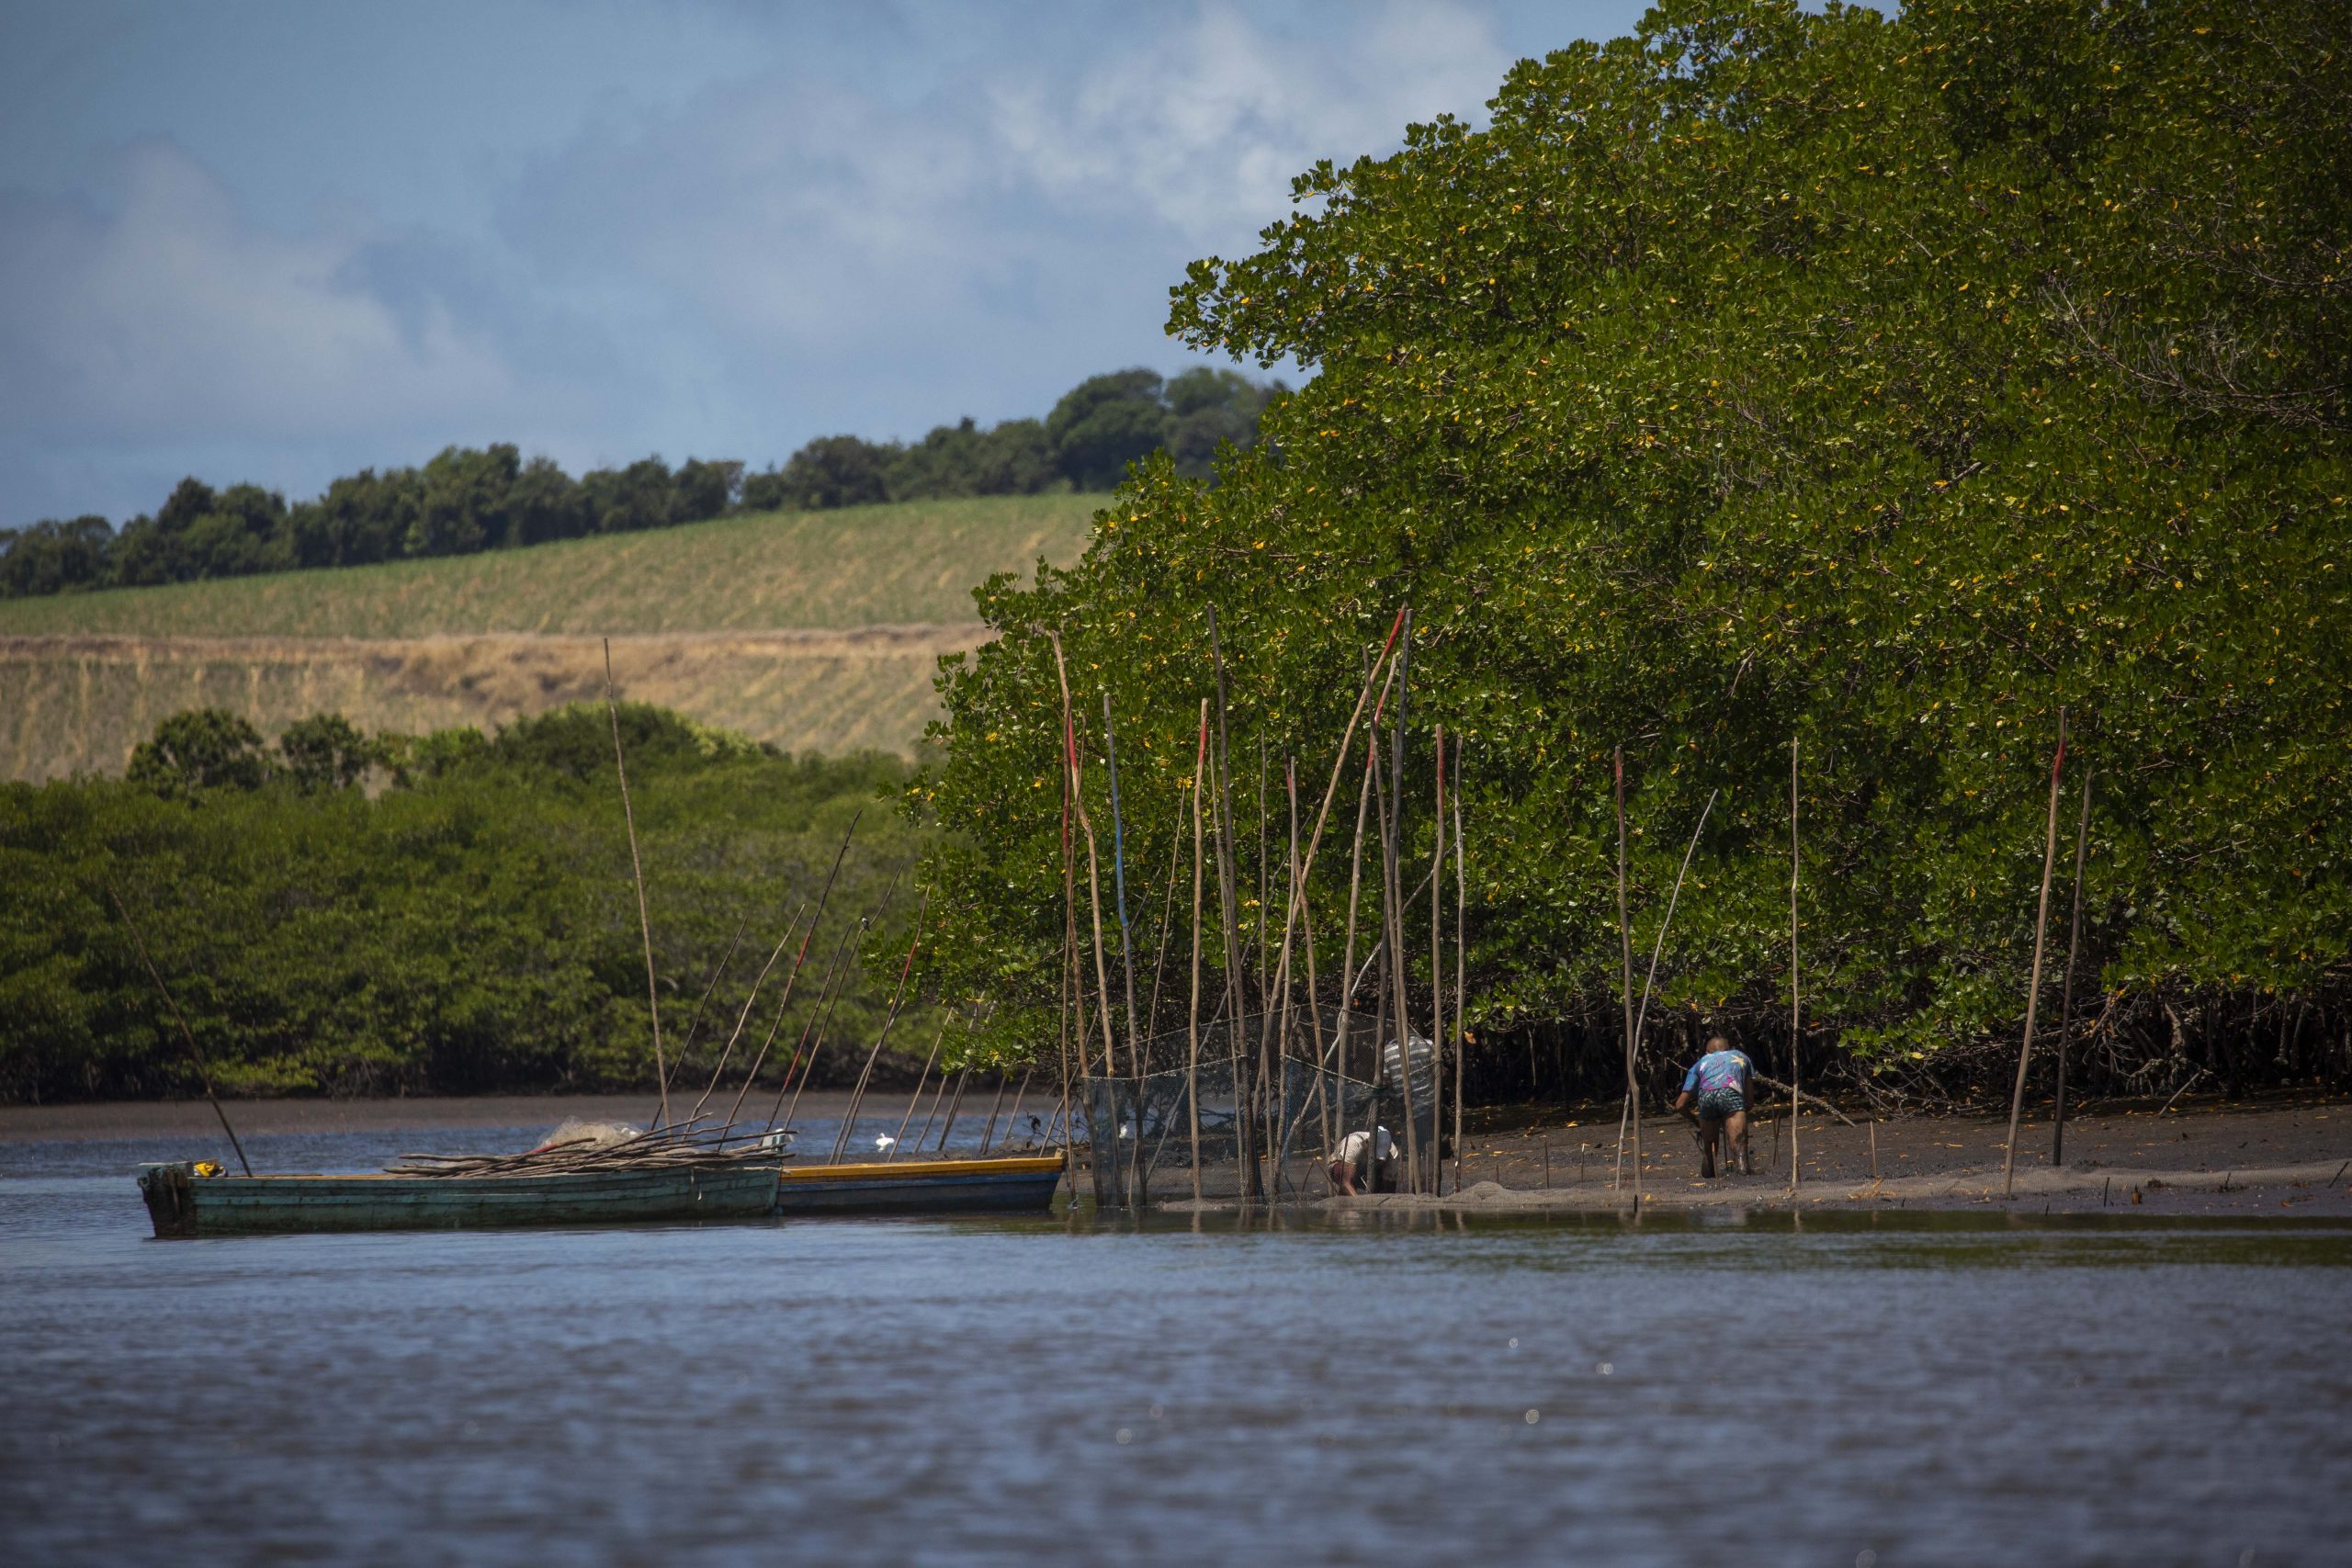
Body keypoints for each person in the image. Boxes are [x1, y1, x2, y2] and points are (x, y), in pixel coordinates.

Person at [1673, 1036, 1754, 1179]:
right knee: (1740, 1147)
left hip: (1706, 1097)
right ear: (1729, 1048)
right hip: (1731, 1093)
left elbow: (1680, 1105)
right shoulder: (1742, 1057)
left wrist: (1696, 1121)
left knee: (1709, 1151)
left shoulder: (1699, 1064)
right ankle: (1744, 1179)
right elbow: (1749, 1102)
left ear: (1707, 1052)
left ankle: (1709, 1174)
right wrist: (1735, 1116)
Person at [1329, 1126, 1397, 1195]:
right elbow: (1345, 1181)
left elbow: (1390, 1182)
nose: (1376, 1160)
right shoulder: (1353, 1145)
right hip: (1344, 1166)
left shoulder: (1392, 1152)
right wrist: (1359, 1202)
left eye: (1379, 1159)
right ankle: (1348, 1198)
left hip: (1367, 1170)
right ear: (1366, 1143)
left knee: (1384, 1185)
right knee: (1341, 1174)